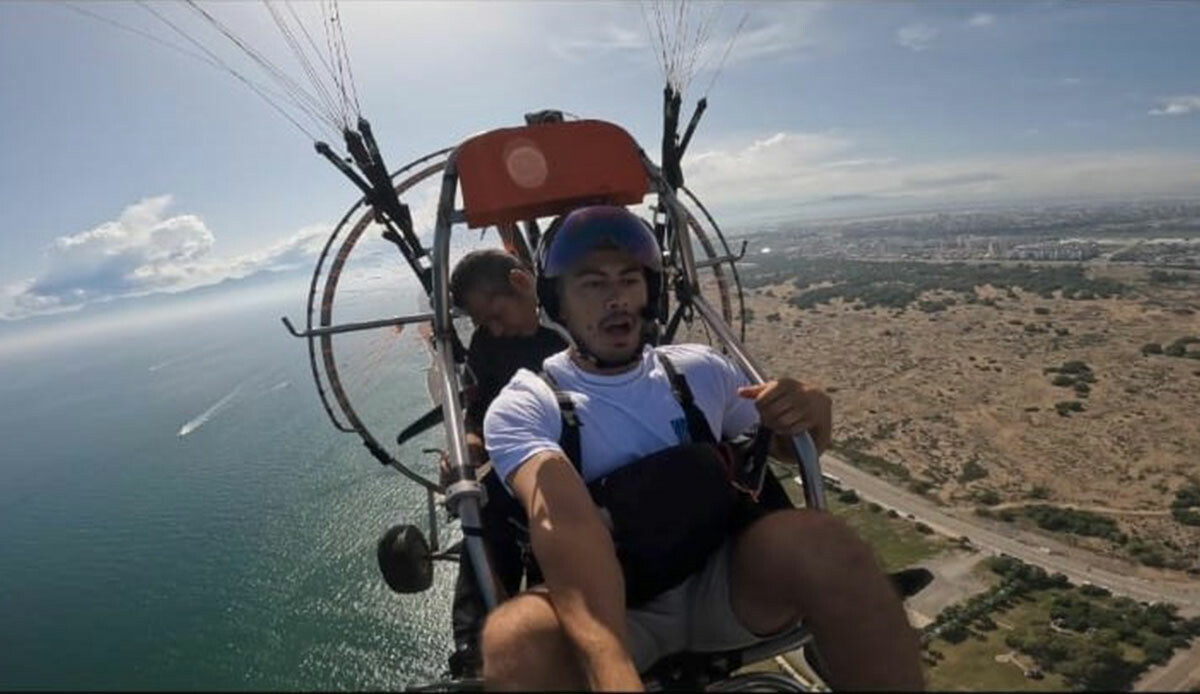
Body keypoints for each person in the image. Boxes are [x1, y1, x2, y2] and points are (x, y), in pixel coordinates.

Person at [480, 205, 924, 691]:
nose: (616, 299)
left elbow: (788, 449)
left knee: (827, 543)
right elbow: (567, 526)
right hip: (613, 612)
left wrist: (811, 413)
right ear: (557, 302)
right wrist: (612, 669)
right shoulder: (527, 404)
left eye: (629, 280)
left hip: (725, 583)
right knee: (515, 637)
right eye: (592, 284)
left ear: (651, 291)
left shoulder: (698, 371)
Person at [444, 248, 567, 677]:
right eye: (484, 323)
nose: (495, 329)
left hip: (573, 462)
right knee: (484, 523)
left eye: (497, 315)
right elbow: (477, 411)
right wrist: (472, 441)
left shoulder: (569, 325)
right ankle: (473, 654)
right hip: (512, 466)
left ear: (521, 283)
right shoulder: (487, 345)